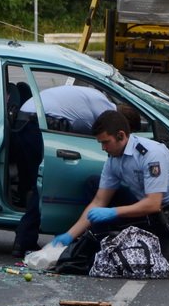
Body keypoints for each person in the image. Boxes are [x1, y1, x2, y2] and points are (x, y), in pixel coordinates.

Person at [52, 109, 169, 260]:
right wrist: (69, 235)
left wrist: (113, 212)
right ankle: (101, 246)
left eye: (105, 142)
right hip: (144, 208)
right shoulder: (114, 159)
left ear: (121, 136)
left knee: (139, 256)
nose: (103, 148)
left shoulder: (150, 154)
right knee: (93, 183)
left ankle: (164, 244)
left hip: (168, 216)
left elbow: (153, 204)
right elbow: (99, 201)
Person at [12, 84, 114, 257]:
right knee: (43, 184)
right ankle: (24, 240)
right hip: (36, 124)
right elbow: (97, 136)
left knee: (34, 183)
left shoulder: (93, 98)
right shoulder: (107, 110)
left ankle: (25, 238)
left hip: (26, 121)